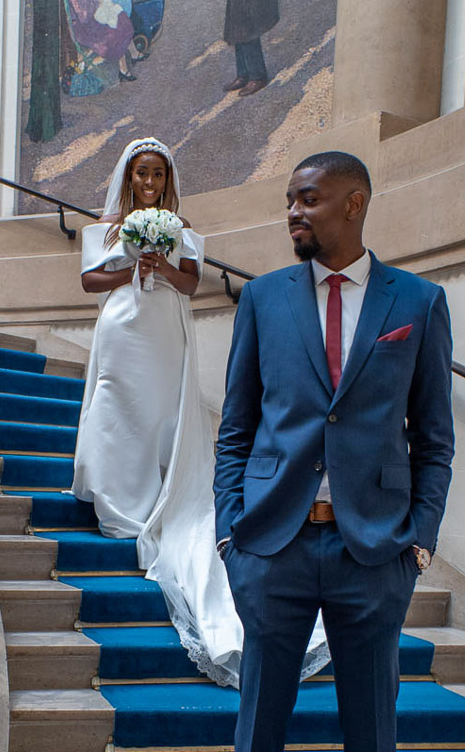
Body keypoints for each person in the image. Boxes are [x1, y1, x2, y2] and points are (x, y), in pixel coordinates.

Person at [213, 151, 454, 752]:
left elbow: (435, 437)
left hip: (370, 559)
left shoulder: (417, 305)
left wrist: (416, 543)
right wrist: (229, 539)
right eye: (288, 201)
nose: (293, 214)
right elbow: (236, 427)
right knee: (257, 746)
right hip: (275, 551)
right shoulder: (266, 299)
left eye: (307, 200)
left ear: (355, 204)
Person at [73, 138, 329, 687]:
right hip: (123, 326)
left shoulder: (181, 226)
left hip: (165, 328)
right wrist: (131, 269)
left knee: (160, 412)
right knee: (117, 407)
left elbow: (190, 284)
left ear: (167, 179)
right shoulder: (106, 227)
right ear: (129, 176)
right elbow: (90, 280)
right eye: (142, 174)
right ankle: (121, 504)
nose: (150, 182)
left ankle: (158, 499)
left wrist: (162, 263)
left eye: (158, 174)